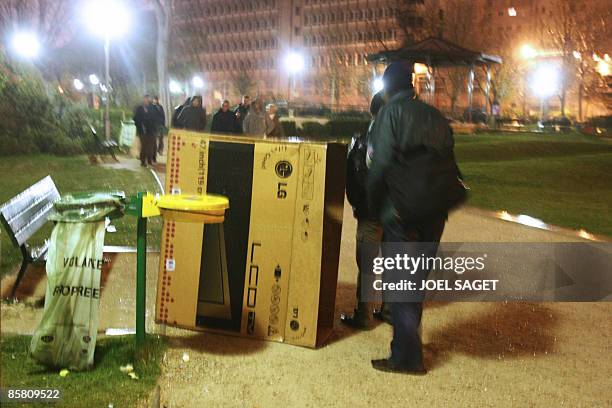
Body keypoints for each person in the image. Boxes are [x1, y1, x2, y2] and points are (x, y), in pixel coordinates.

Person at [367, 61, 464, 375]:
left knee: (400, 284)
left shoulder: (389, 114)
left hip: (402, 211)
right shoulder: (434, 115)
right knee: (416, 281)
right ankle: (409, 348)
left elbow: (380, 165)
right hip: (433, 211)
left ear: (388, 87)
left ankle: (407, 357)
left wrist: (372, 202)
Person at [340, 92, 385, 330]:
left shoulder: (374, 135)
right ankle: (388, 310)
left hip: (372, 210)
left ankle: (364, 315)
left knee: (367, 263)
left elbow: (370, 167)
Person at [133, 94, 157, 167]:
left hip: (151, 130)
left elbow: (155, 118)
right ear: (143, 99)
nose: (146, 100)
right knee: (144, 146)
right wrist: (140, 125)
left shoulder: (152, 108)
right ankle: (143, 161)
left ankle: (150, 160)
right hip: (142, 130)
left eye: (148, 99)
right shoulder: (139, 108)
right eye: (145, 99)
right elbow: (135, 118)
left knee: (150, 146)